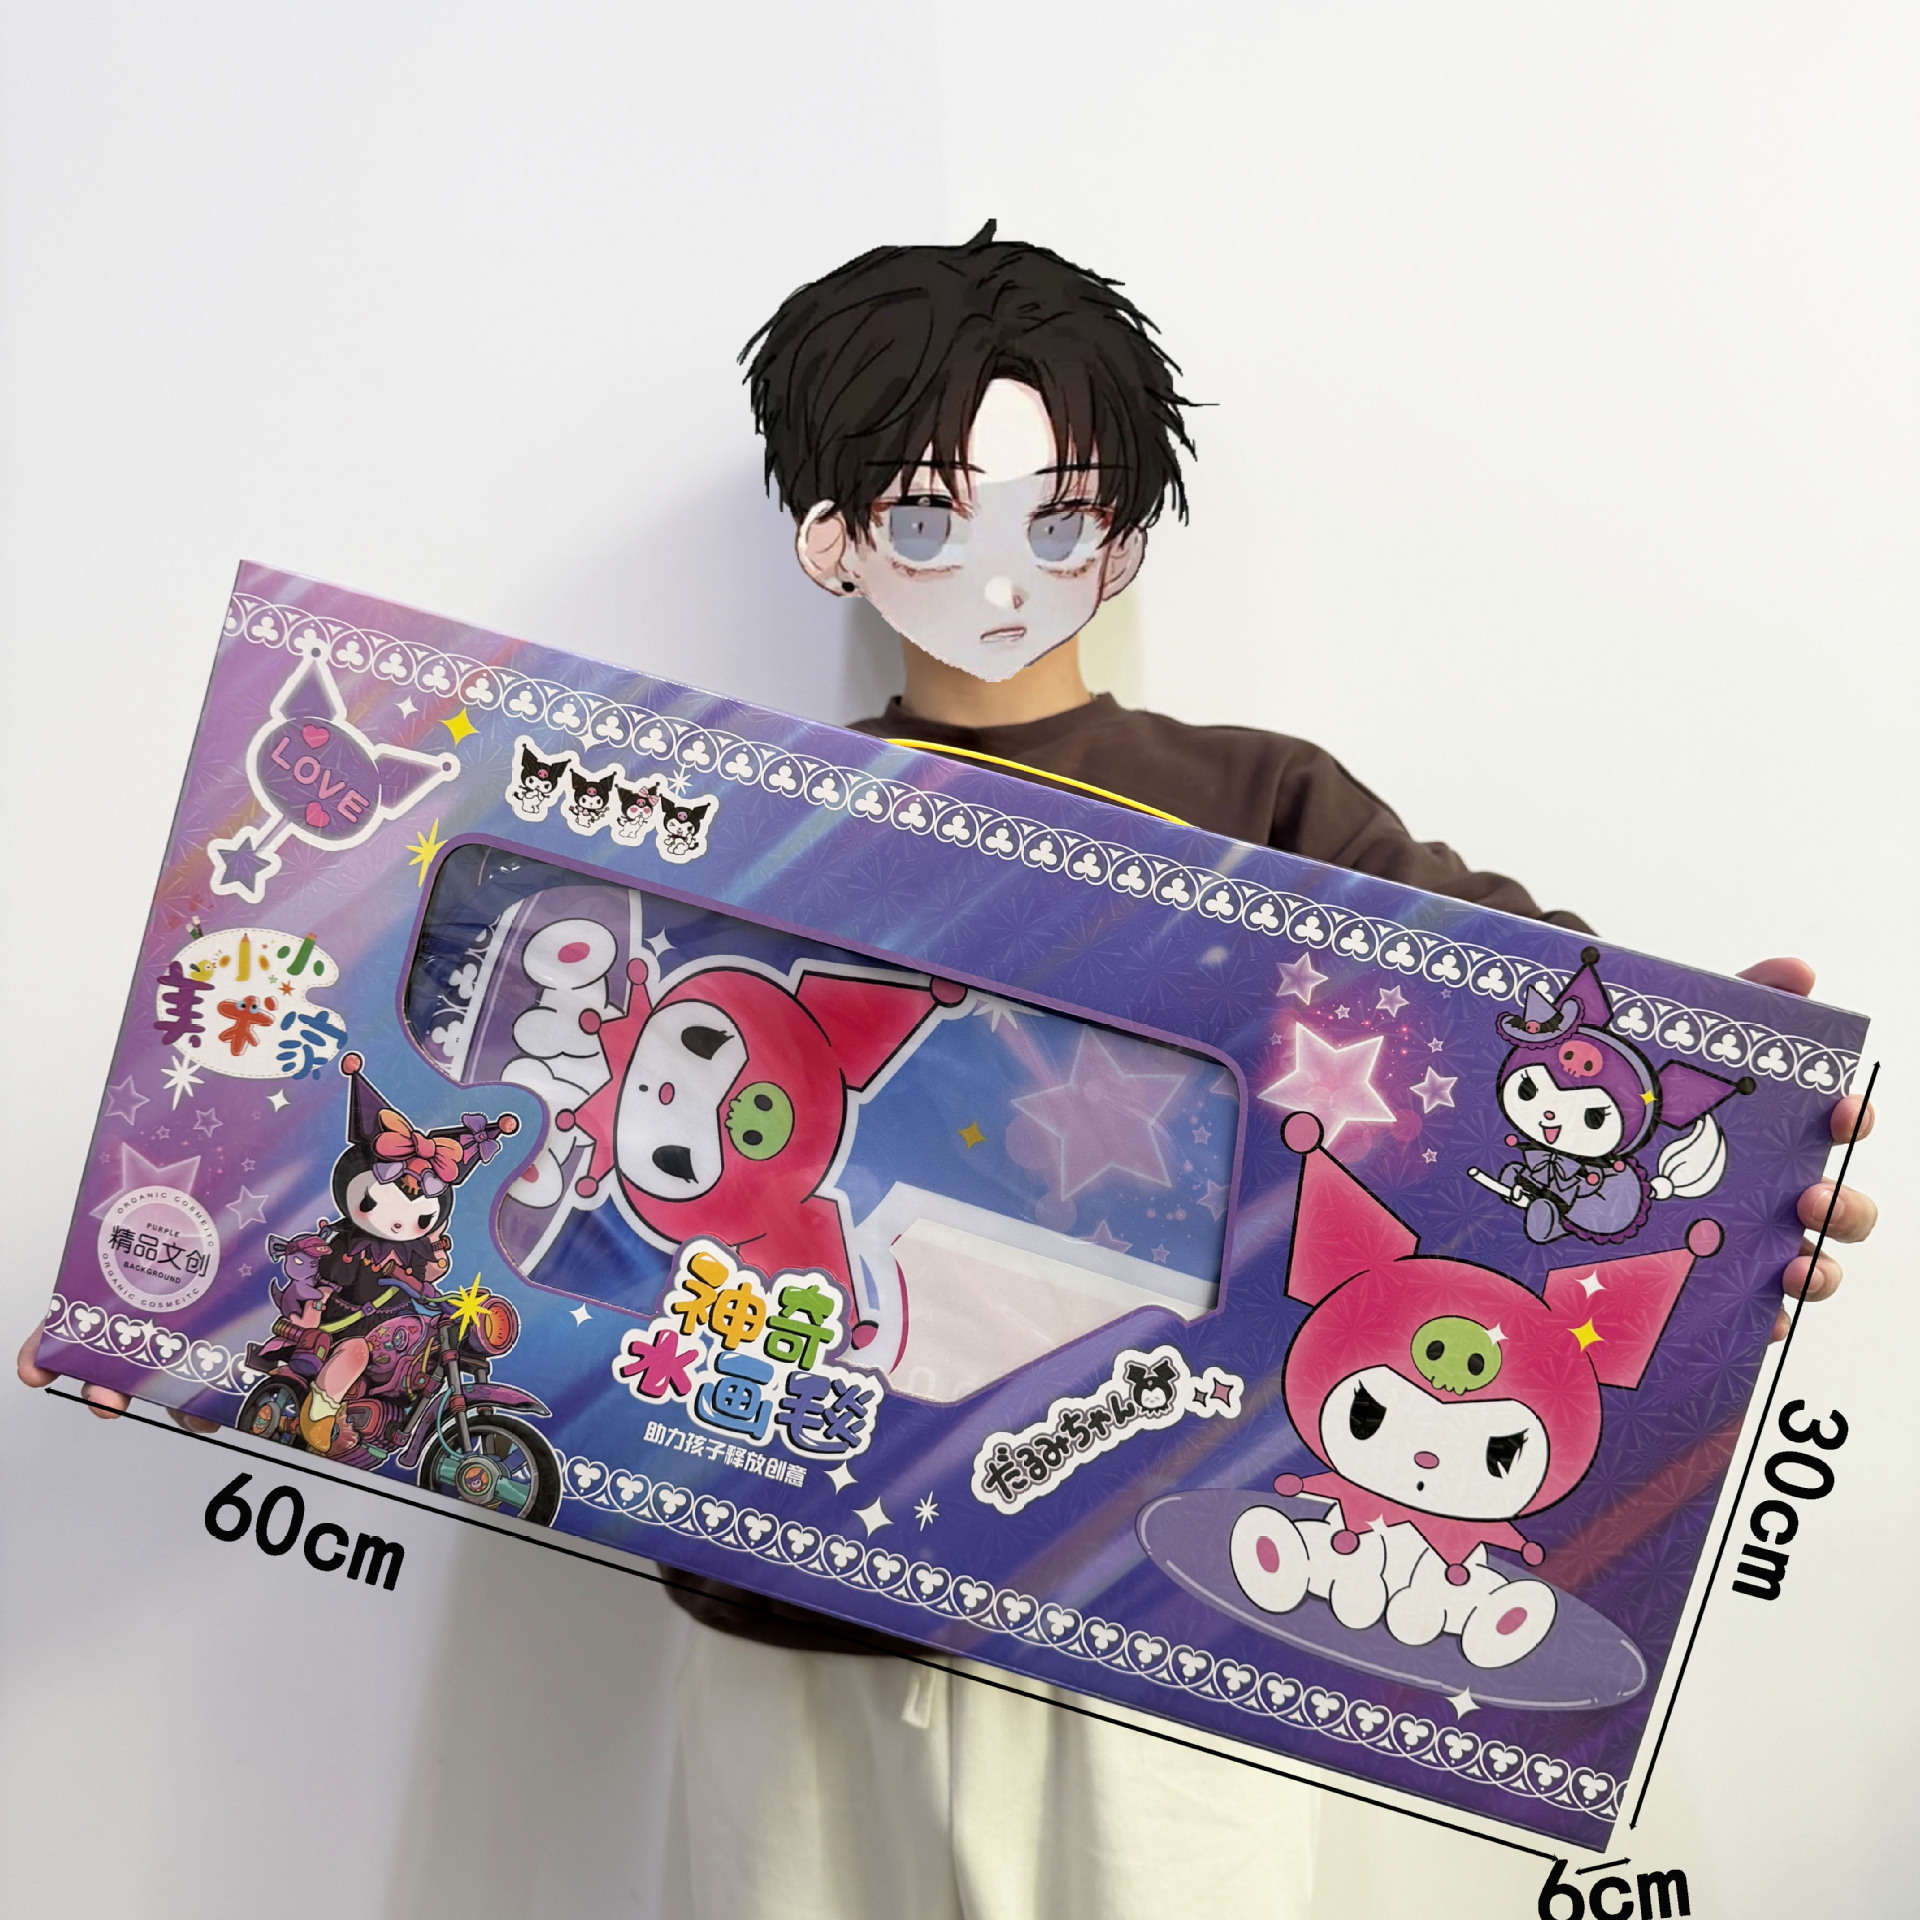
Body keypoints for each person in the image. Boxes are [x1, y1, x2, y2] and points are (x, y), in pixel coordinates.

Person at [19, 223, 1879, 1918]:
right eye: (926, 513)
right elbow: (425, 1121)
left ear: (1125, 528)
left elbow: (1542, 1092)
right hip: (788, 1622)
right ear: (831, 537)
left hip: (1156, 1648)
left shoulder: (1268, 807)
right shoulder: (741, 826)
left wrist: (1734, 1158)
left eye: (1056, 514)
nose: (996, 567)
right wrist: (206, 1321)